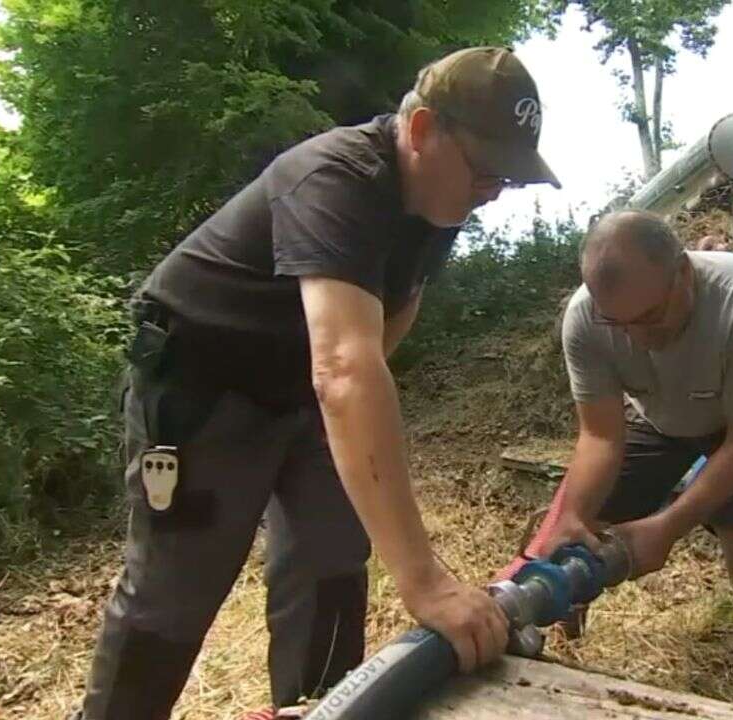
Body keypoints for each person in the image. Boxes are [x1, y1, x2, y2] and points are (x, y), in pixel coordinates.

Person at [75, 46, 560, 720]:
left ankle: (318, 710)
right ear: (421, 132)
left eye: (509, 178)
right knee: (177, 587)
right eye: (486, 170)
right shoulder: (336, 176)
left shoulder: (439, 206)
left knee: (331, 561)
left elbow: (395, 307)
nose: (494, 192)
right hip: (202, 381)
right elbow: (344, 369)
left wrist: (342, 408)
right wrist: (423, 581)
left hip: (301, 386)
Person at [512, 209, 733, 709]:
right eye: (618, 325)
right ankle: (541, 607)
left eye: (650, 318)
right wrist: (575, 518)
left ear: (684, 273)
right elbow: (600, 437)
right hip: (661, 415)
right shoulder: (585, 318)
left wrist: (665, 528)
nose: (638, 338)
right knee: (577, 515)